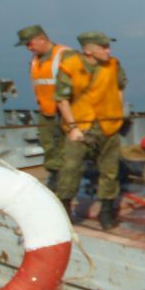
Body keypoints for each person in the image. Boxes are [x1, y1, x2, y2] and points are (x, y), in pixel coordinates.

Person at [54, 32, 126, 230]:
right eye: (102, 47)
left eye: (107, 47)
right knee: (71, 167)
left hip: (108, 124)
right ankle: (65, 208)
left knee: (109, 170)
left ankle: (106, 211)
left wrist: (118, 112)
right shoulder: (69, 67)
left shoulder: (113, 64)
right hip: (81, 126)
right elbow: (62, 99)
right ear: (88, 50)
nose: (107, 51)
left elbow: (120, 87)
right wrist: (72, 127)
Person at [17, 25, 75, 180]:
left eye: (30, 43)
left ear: (42, 39)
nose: (29, 48)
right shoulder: (36, 59)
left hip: (66, 111)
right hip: (46, 111)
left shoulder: (65, 55)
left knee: (66, 149)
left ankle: (66, 184)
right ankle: (55, 177)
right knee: (49, 147)